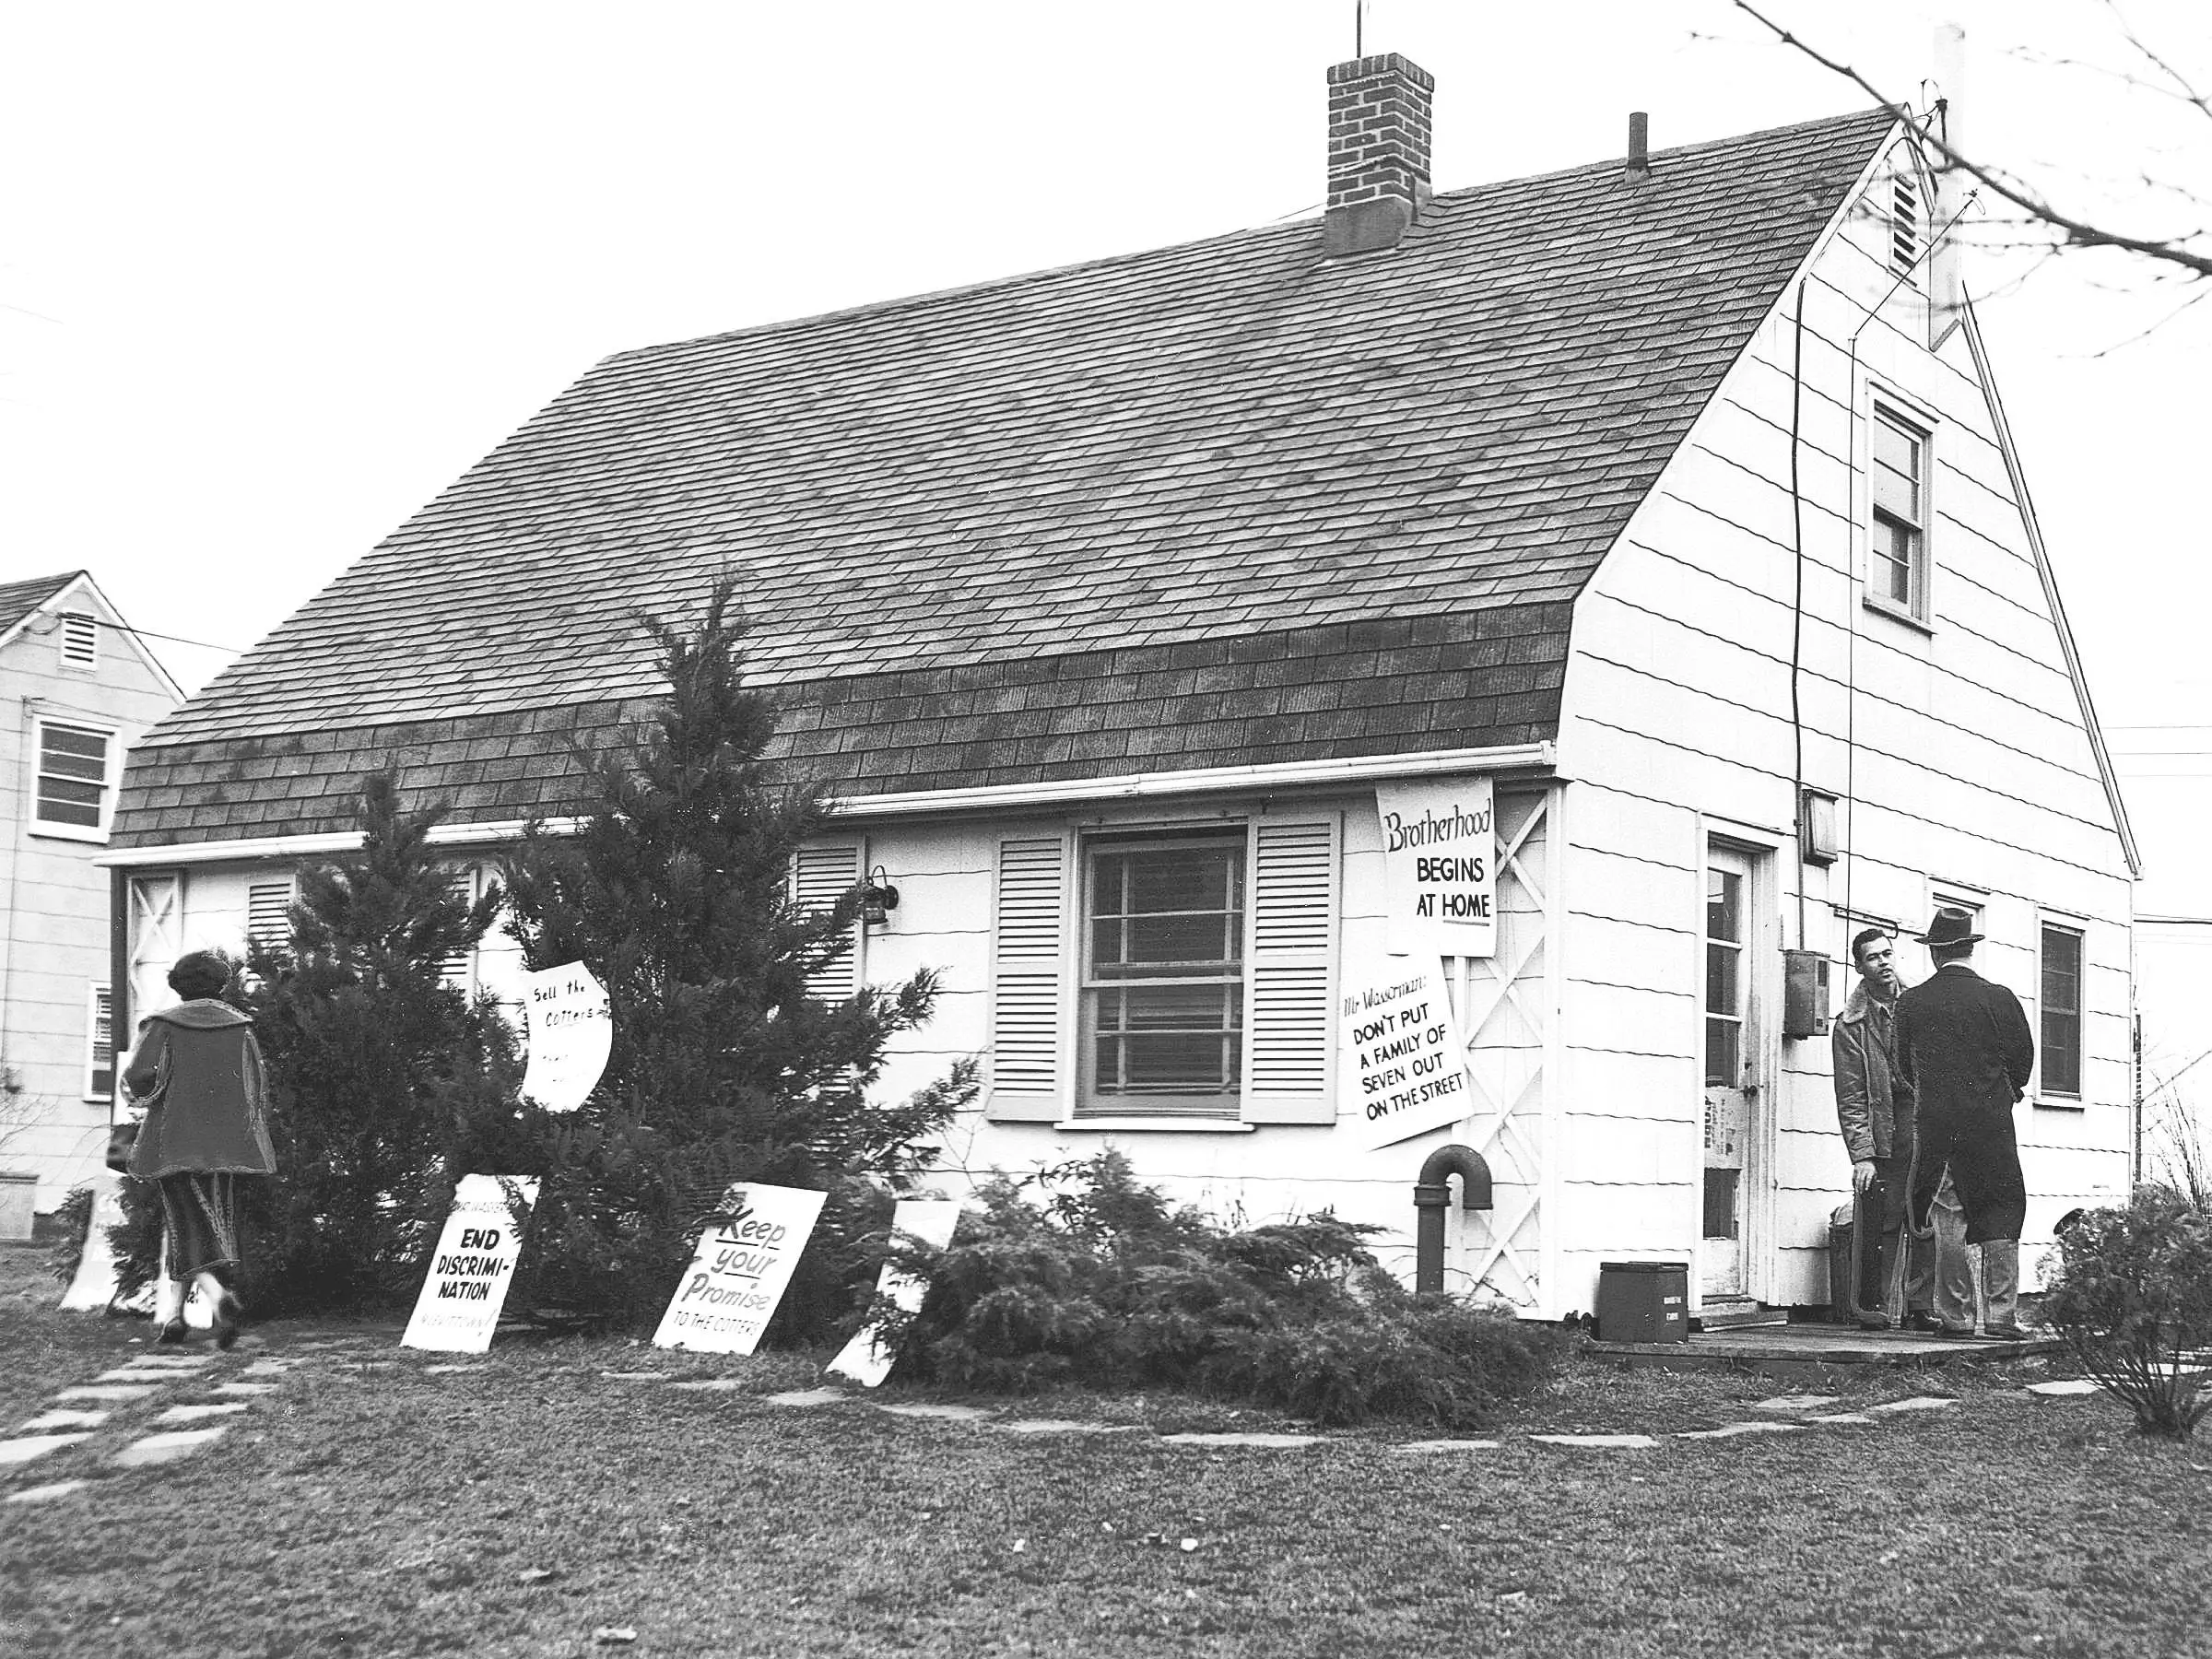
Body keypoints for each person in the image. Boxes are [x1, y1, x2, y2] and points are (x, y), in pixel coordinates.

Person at [1896, 907, 2036, 1340]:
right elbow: (2023, 1059)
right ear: (1967, 949)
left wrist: (1935, 1097)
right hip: (1991, 1125)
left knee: (1949, 1216)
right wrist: (2002, 1092)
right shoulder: (1999, 998)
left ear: (1936, 953)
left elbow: (1903, 1067)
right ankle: (2001, 1316)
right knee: (2001, 1210)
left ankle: (1956, 1317)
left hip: (1938, 1127)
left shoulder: (1911, 1003)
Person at [122, 951, 276, 1347]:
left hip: (174, 1141)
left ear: (178, 985)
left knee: (186, 1221)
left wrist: (146, 1095)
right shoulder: (241, 1029)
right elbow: (257, 1084)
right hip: (227, 1146)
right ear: (221, 985)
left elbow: (140, 1075)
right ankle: (174, 1317)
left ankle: (217, 1295)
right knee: (200, 1224)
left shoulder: (164, 1025)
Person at [1830, 926, 1944, 1331]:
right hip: (1884, 1128)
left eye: (1887, 953)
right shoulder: (1850, 1026)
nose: (1883, 962)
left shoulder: (1921, 1007)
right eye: (1873, 957)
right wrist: (1861, 1155)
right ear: (1859, 966)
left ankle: (1920, 1306)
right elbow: (1851, 1096)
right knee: (1882, 1218)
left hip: (1925, 1122)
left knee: (1926, 1215)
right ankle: (1871, 1307)